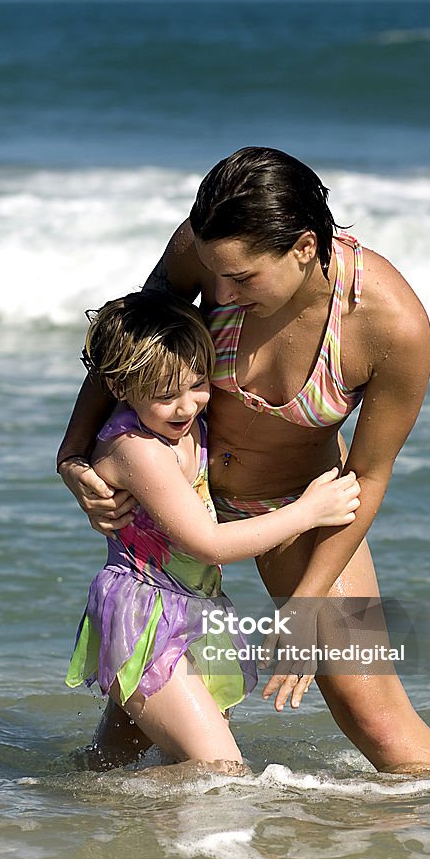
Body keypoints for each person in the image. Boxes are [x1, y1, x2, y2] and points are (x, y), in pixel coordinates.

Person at [58, 146, 430, 774]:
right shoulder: (211, 245)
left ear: (303, 247)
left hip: (299, 508)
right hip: (178, 497)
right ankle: (78, 844)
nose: (218, 292)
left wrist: (305, 608)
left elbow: (367, 477)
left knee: (372, 710)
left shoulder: (390, 327)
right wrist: (74, 453)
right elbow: (131, 345)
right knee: (137, 727)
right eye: (214, 274)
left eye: (241, 280)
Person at [63, 291, 361, 768]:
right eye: (165, 396)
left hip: (193, 612)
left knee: (112, 762)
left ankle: (76, 811)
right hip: (144, 620)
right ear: (120, 388)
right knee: (221, 774)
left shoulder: (188, 425)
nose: (186, 406)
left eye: (197, 385)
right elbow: (209, 542)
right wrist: (307, 511)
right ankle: (84, 805)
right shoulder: (139, 451)